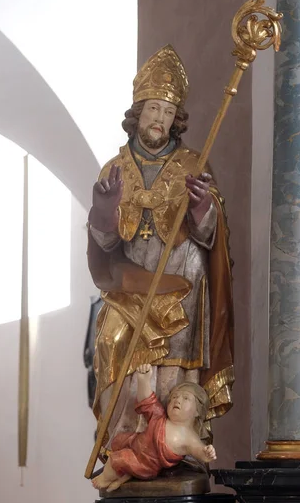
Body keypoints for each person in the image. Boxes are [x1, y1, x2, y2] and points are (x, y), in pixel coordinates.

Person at [87, 44, 234, 450]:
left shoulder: (193, 163)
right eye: (153, 109)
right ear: (138, 112)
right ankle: (122, 442)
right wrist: (103, 212)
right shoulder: (115, 169)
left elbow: (211, 239)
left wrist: (205, 207)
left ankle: (169, 448)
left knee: (172, 365)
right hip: (131, 281)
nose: (160, 120)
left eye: (168, 113)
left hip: (183, 281)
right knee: (112, 345)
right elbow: (105, 243)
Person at [92, 364, 216, 492]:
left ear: (197, 411)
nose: (177, 400)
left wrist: (206, 453)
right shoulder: (159, 416)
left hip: (145, 464)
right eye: (174, 397)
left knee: (116, 459)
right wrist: (144, 380)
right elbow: (147, 401)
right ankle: (125, 475)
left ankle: (105, 478)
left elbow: (198, 450)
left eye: (186, 398)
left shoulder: (189, 437)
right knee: (117, 442)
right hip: (133, 444)